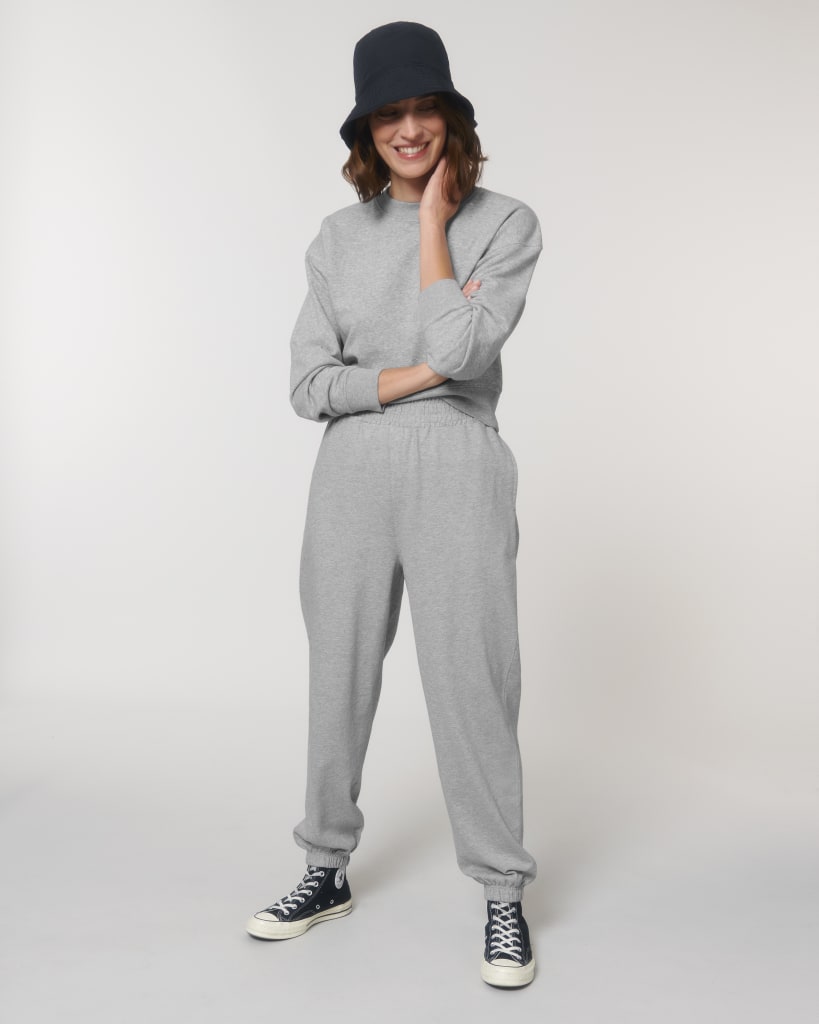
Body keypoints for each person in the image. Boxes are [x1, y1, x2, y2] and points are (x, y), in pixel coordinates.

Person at [246, 21, 542, 988]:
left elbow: (462, 350)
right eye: (387, 115)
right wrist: (412, 376)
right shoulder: (336, 239)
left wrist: (428, 228)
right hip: (351, 473)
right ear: (365, 132)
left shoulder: (504, 224)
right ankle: (323, 867)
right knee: (337, 672)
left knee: (471, 677)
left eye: (423, 110)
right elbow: (307, 387)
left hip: (459, 462)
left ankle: (501, 891)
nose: (407, 130)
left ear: (450, 118)